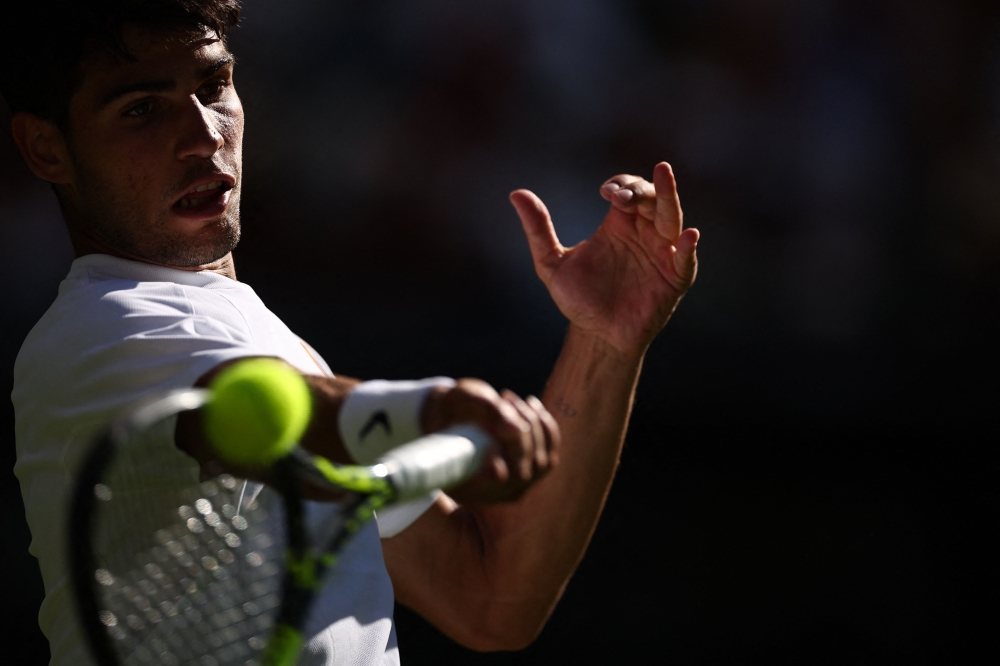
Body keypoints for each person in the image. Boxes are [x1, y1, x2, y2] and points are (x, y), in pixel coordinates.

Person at [2, 1, 699, 664]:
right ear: (45, 148)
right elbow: (252, 405)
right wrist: (431, 409)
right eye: (142, 109)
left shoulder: (256, 332)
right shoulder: (95, 330)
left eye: (214, 87)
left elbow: (491, 597)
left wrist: (606, 341)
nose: (204, 135)